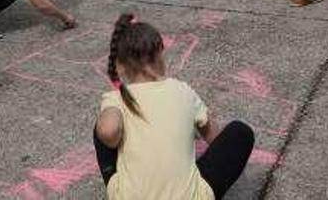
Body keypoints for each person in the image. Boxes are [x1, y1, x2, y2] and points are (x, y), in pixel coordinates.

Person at [94, 13, 255, 199]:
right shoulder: (183, 90)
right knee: (240, 132)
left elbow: (108, 132)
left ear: (120, 66)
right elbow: (214, 138)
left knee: (102, 124)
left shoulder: (117, 98)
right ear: (160, 55)